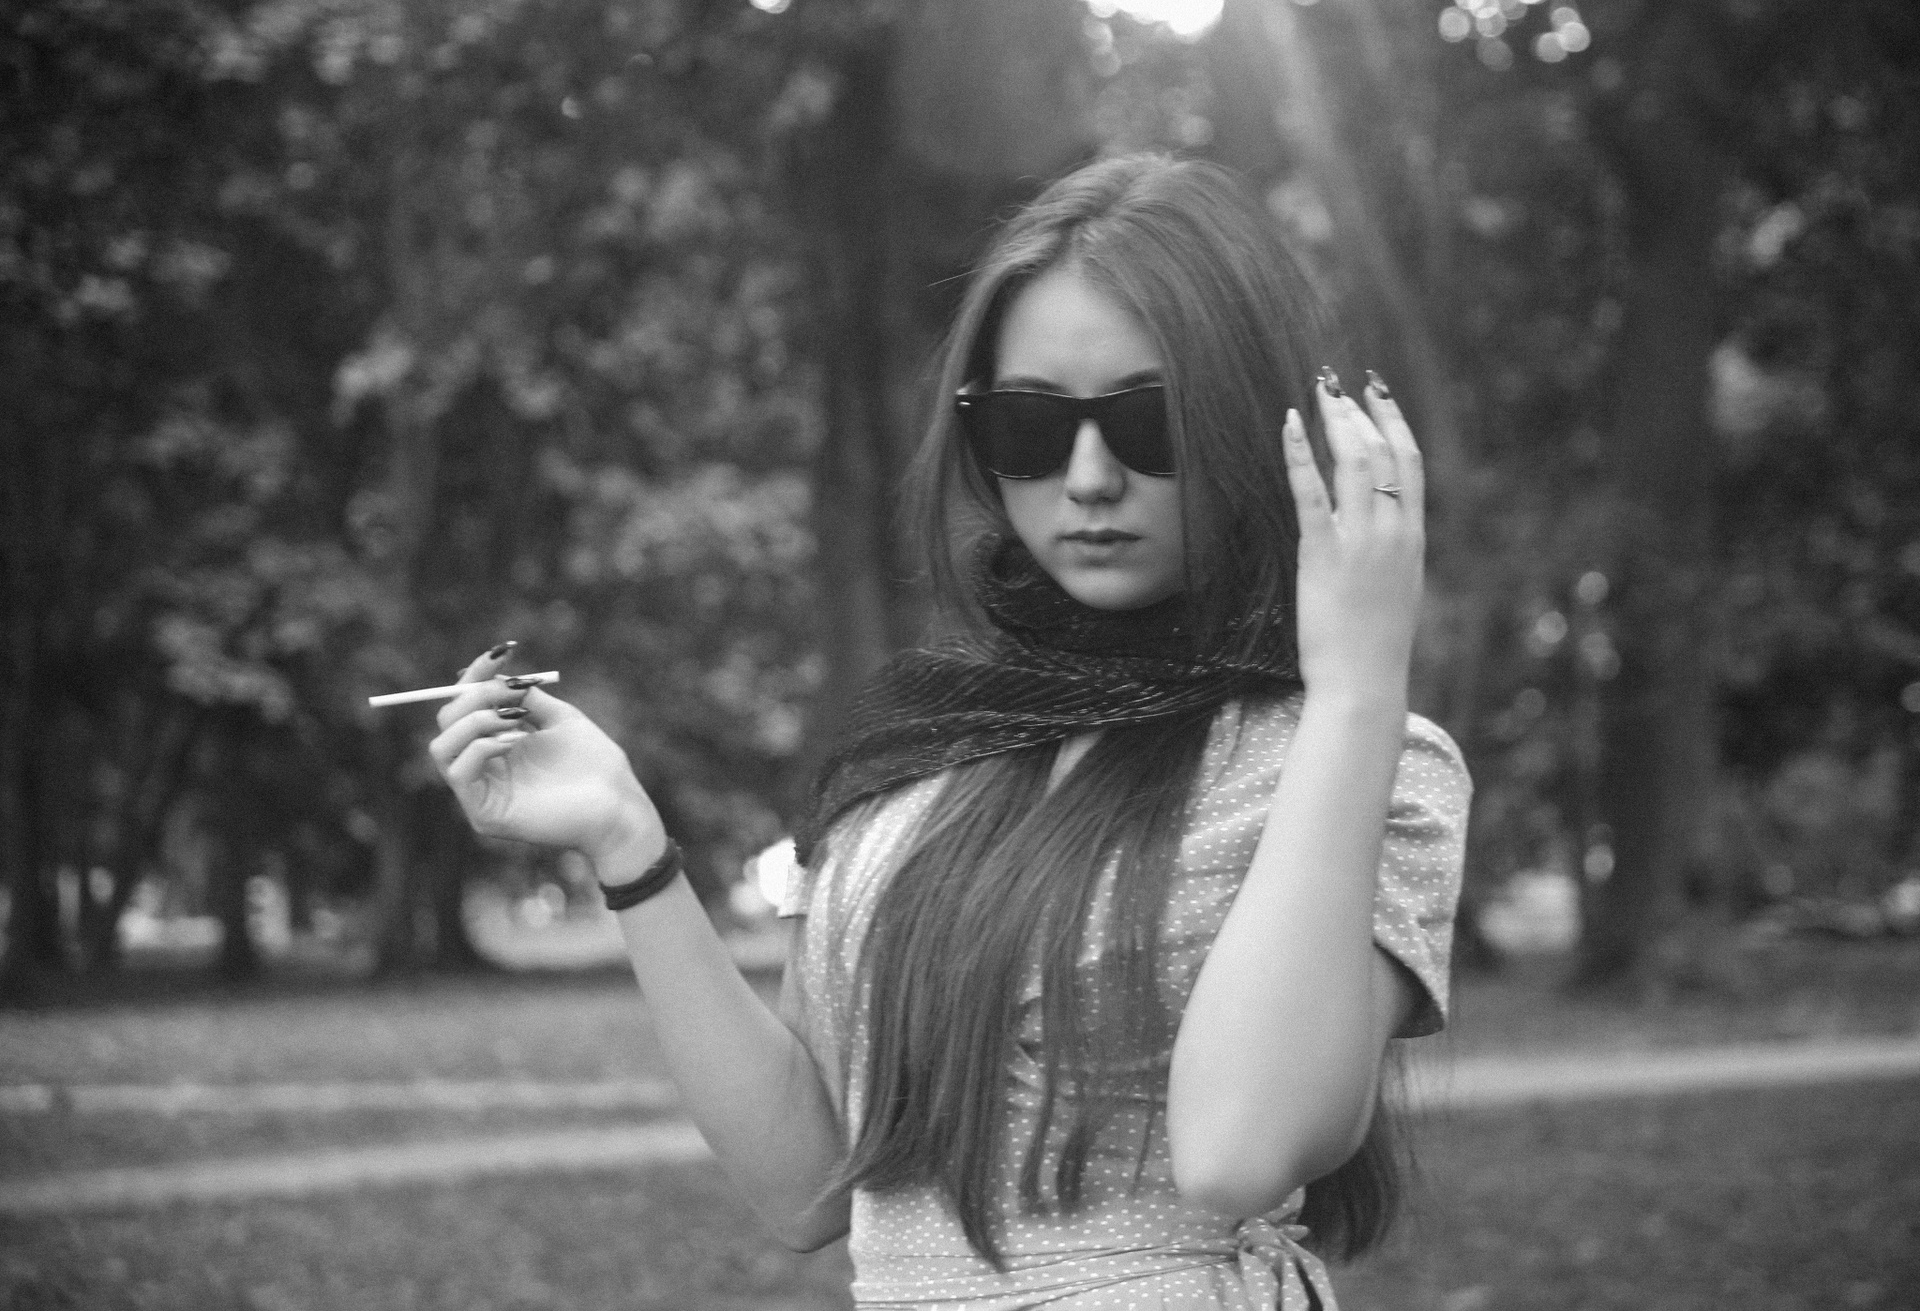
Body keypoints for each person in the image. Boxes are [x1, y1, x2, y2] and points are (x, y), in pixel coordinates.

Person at [428, 153, 1468, 1310]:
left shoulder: (1357, 760)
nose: (1088, 477)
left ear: (1251, 426)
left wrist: (1358, 686)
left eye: (1149, 421)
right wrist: (629, 841)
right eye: (1030, 424)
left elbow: (1236, 1151)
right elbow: (809, 1185)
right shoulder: (917, 754)